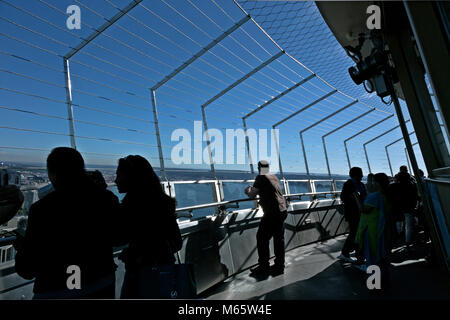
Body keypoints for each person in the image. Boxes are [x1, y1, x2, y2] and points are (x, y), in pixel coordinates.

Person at [14, 147, 120, 299]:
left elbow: (27, 269)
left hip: (57, 290)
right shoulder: (107, 199)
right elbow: (118, 237)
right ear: (81, 170)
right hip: (102, 284)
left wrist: (22, 248)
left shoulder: (43, 209)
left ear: (53, 174)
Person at [115, 155, 182, 298]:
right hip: (165, 269)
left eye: (119, 175)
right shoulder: (163, 203)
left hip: (140, 273)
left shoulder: (131, 206)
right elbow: (177, 242)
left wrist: (135, 253)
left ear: (131, 177)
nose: (115, 181)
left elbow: (118, 238)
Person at [245, 160, 287, 277]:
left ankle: (264, 267)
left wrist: (247, 190)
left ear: (258, 167)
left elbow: (251, 195)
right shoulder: (274, 177)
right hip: (282, 210)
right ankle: (279, 266)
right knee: (279, 240)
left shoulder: (261, 177)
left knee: (262, 238)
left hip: (272, 213)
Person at [354, 173, 394, 289]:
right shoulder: (384, 195)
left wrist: (355, 196)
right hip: (382, 229)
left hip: (373, 231)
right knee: (381, 256)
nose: (367, 183)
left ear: (376, 183)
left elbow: (363, 209)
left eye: (370, 181)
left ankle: (375, 284)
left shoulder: (374, 196)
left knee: (372, 256)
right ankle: (383, 280)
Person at [338, 167, 366, 264]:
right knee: (354, 233)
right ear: (356, 175)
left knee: (355, 232)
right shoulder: (351, 184)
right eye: (360, 174)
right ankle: (346, 252)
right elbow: (344, 197)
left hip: (355, 213)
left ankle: (349, 251)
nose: (362, 176)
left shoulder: (354, 184)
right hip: (353, 214)